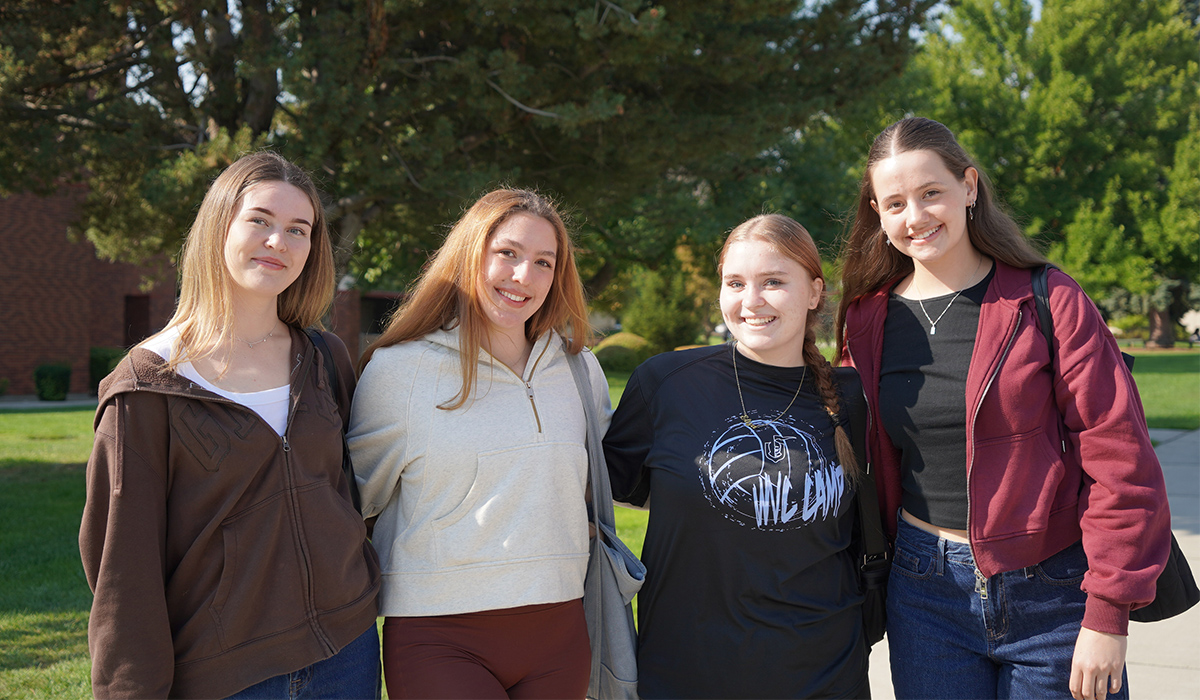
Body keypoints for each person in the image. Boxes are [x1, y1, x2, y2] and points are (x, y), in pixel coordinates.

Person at [835, 116, 1172, 700]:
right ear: (878, 214)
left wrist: (1108, 612)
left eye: (931, 192)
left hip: (1055, 591)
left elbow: (1121, 459)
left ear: (969, 187)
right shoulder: (867, 320)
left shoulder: (1049, 298)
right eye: (895, 203)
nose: (915, 216)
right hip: (925, 594)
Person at [79, 152, 382, 699]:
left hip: (347, 651)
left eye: (298, 229)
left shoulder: (323, 357)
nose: (278, 242)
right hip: (226, 674)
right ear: (219, 226)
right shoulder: (146, 386)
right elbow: (124, 568)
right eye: (260, 220)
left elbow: (350, 488)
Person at [347, 188, 608, 699]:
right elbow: (353, 504)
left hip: (560, 631)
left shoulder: (580, 370)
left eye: (544, 262)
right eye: (507, 253)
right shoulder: (400, 372)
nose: (523, 276)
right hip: (439, 635)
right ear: (470, 254)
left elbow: (600, 483)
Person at [602, 214, 870, 699]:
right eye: (736, 283)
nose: (752, 300)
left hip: (824, 673)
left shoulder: (854, 398)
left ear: (814, 292)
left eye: (773, 282)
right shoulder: (665, 383)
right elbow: (607, 496)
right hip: (687, 672)